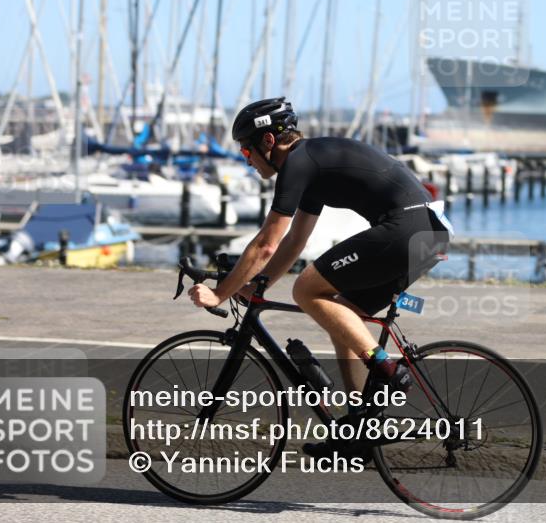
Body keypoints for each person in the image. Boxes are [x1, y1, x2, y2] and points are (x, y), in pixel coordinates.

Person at [188, 97, 452, 455]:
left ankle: (388, 370)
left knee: (307, 290)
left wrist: (220, 293)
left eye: (247, 151)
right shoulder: (311, 164)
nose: (246, 159)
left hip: (408, 228)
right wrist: (258, 285)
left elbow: (267, 243)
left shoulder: (298, 162)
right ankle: (360, 431)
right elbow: (295, 241)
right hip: (428, 234)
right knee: (339, 313)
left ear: (268, 141)